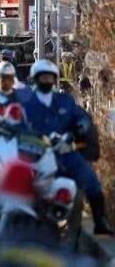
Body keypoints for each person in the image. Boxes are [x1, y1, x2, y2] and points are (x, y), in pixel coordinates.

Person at [23, 59, 114, 236]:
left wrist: (82, 125)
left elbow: (80, 116)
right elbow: (17, 127)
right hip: (37, 156)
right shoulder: (26, 103)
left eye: (50, 77)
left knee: (93, 183)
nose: (47, 81)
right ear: (35, 79)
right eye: (43, 78)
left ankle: (99, 223)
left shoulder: (64, 100)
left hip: (65, 154)